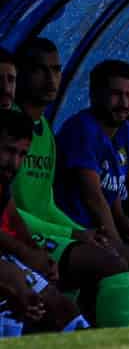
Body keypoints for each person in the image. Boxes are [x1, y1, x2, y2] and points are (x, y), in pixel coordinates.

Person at [11, 39, 129, 328]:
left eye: (56, 70)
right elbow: (12, 210)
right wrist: (75, 232)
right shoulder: (11, 129)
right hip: (20, 234)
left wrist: (81, 233)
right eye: (40, 70)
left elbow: (45, 203)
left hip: (47, 232)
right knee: (114, 265)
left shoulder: (45, 131)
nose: (51, 79)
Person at [53, 60, 129, 322]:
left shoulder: (125, 131)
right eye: (116, 94)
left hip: (103, 231)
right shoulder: (82, 130)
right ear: (95, 94)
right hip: (75, 232)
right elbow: (94, 198)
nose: (124, 103)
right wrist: (119, 246)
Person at [0, 109, 89, 333]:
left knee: (65, 311)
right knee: (15, 285)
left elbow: (13, 216)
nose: (15, 162)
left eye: (22, 154)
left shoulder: (2, 179)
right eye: (9, 151)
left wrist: (37, 251)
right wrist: (24, 254)